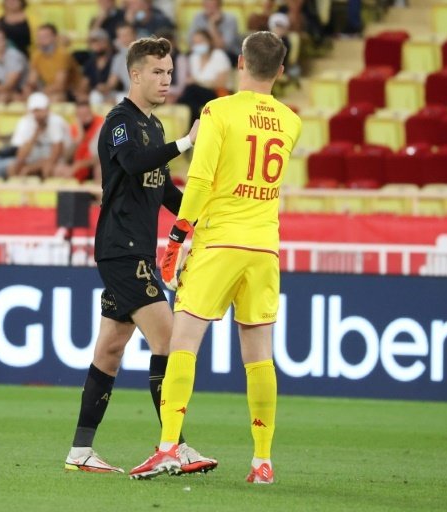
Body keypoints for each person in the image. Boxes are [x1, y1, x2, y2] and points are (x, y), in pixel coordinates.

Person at [129, 31, 302, 484]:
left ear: (240, 62)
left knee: (183, 343)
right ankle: (262, 461)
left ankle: (168, 447)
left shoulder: (218, 111)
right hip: (264, 246)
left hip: (219, 241)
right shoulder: (291, 121)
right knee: (259, 356)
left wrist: (177, 235)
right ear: (280, 71)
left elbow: (202, 181)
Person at [63, 36, 216, 475]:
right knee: (168, 340)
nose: (165, 80)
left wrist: (200, 217)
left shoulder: (153, 127)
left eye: (169, 72)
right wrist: (187, 142)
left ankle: (80, 452)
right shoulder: (120, 122)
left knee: (110, 349)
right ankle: (175, 447)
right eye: (157, 72)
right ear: (135, 73)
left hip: (134, 253)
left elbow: (165, 190)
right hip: (120, 251)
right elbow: (131, 163)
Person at [7, 92, 71, 178]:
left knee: (48, 168)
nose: (38, 115)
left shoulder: (55, 121)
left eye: (40, 110)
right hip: (35, 159)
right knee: (13, 167)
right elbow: (20, 156)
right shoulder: (25, 122)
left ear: (47, 110)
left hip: (57, 160)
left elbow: (57, 151)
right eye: (35, 111)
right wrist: (35, 135)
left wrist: (35, 167)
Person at [177, 29, 231, 125]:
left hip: (217, 93)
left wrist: (198, 82)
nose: (198, 44)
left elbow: (220, 83)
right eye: (195, 42)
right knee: (191, 98)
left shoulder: (219, 55)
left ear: (209, 41)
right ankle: (197, 126)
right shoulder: (193, 58)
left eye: (201, 41)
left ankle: (193, 129)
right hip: (198, 95)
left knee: (190, 90)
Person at [25, 23, 81, 102]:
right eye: (39, 37)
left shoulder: (62, 54)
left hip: (72, 90)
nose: (41, 40)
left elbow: (60, 85)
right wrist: (29, 89)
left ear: (55, 37)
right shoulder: (36, 55)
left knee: (55, 98)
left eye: (45, 37)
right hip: (49, 89)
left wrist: (41, 93)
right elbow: (32, 80)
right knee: (25, 96)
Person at [54, 98, 104, 182]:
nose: (83, 118)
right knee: (58, 169)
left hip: (92, 165)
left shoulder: (101, 125)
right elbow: (66, 157)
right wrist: (78, 140)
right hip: (77, 165)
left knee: (99, 169)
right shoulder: (74, 127)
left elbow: (100, 157)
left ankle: (100, 194)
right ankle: (66, 194)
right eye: (80, 115)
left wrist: (78, 166)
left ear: (91, 112)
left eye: (86, 114)